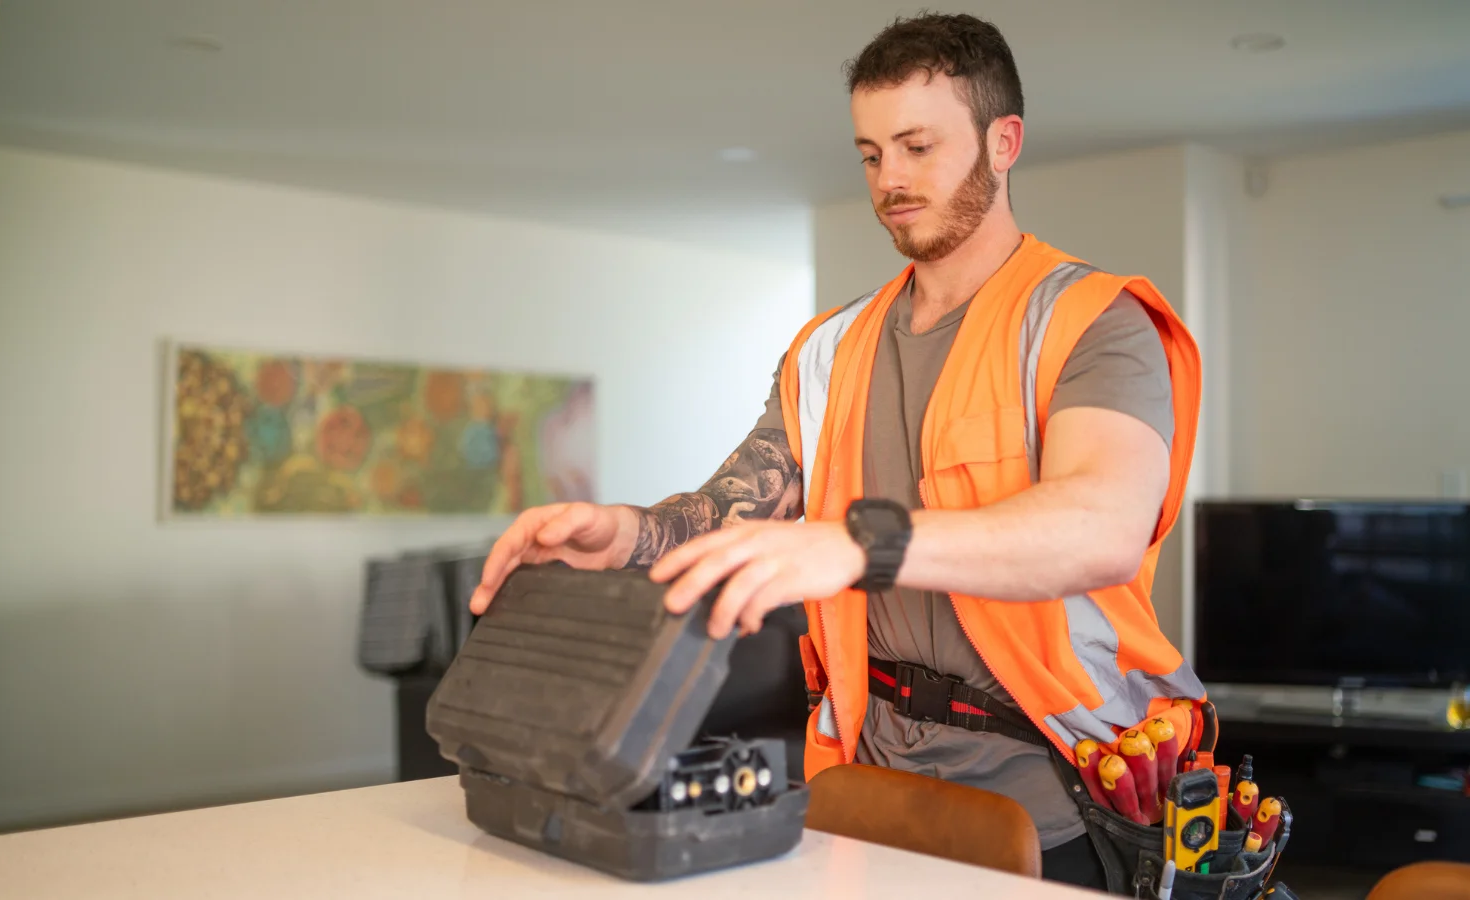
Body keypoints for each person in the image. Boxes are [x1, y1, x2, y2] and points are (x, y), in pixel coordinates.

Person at [471, 13, 1203, 889]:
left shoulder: (1092, 321)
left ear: (1003, 143)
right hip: (865, 779)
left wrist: (861, 544)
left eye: (918, 147)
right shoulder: (829, 348)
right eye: (870, 154)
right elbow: (737, 505)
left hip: (1062, 791)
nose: (889, 179)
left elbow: (1102, 527)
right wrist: (623, 532)